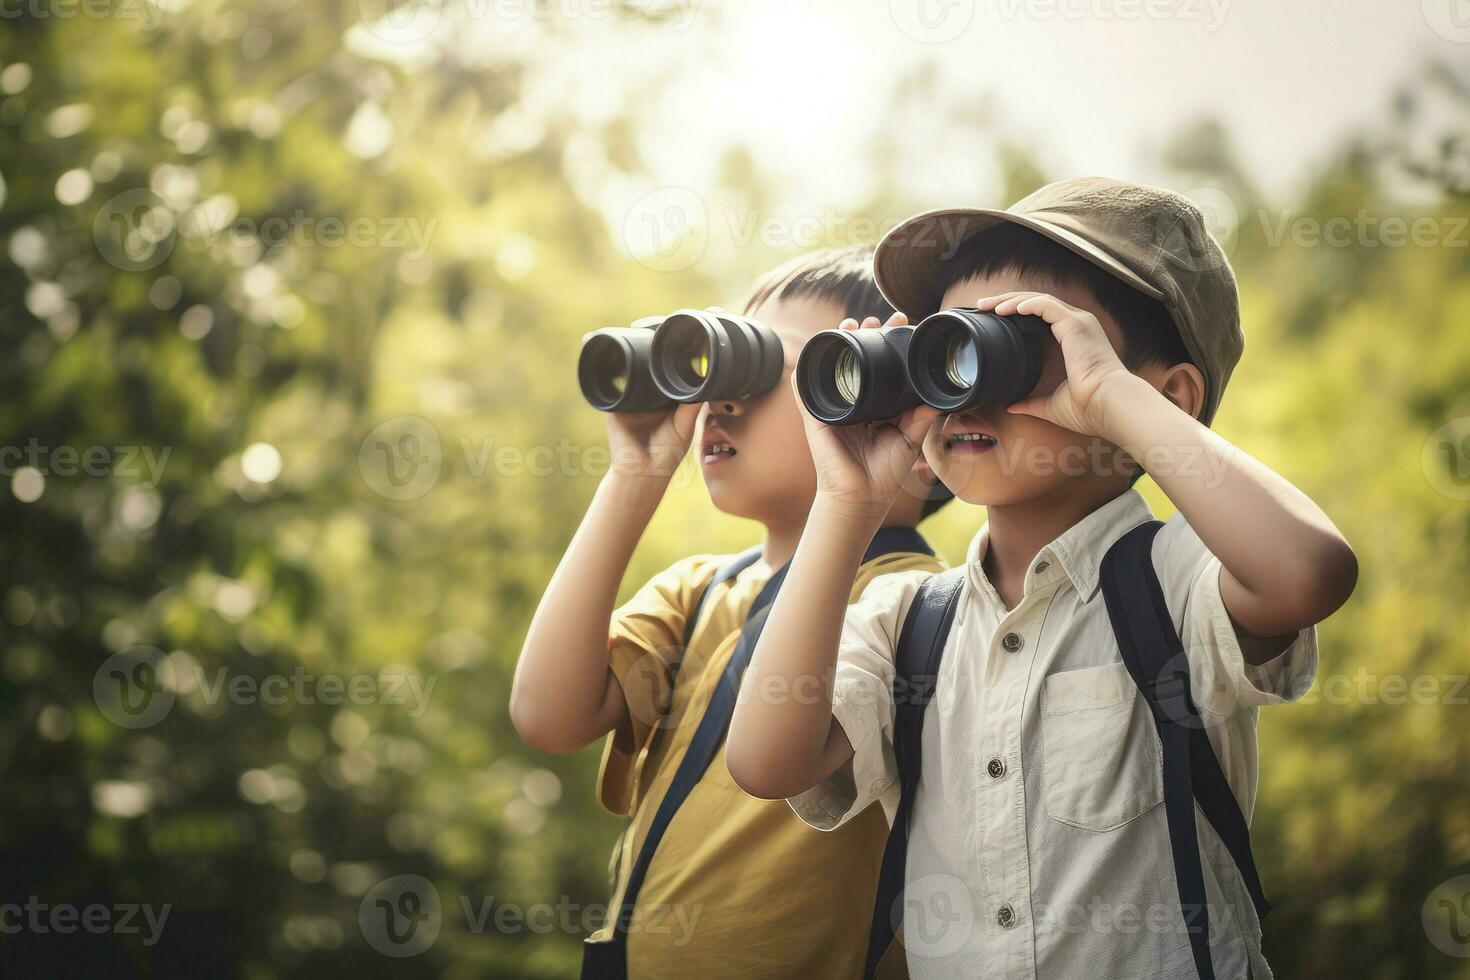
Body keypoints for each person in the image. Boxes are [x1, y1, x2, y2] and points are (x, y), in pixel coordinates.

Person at [727, 178, 1358, 979]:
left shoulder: (1174, 581)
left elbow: (1311, 573)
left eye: (1017, 349)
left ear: (1161, 400)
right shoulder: (907, 624)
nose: (964, 385)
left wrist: (1102, 397)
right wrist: (848, 500)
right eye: (942, 347)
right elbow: (764, 762)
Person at [511, 245, 948, 977]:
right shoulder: (701, 591)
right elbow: (548, 716)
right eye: (720, 365)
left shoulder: (913, 604)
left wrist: (851, 498)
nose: (720, 398)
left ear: (914, 424)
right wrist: (634, 477)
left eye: (770, 373)